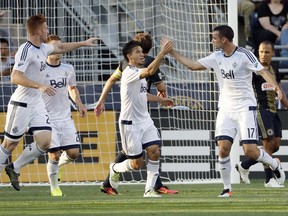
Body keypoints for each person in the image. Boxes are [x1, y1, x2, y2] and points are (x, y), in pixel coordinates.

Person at [165, 25, 285, 197]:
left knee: (250, 151)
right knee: (223, 149)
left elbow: (263, 71)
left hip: (245, 108)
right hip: (226, 109)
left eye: (214, 38)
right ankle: (227, 189)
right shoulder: (216, 57)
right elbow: (192, 65)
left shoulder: (244, 55)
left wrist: (276, 88)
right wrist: (172, 52)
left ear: (224, 40)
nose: (212, 41)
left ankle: (274, 164)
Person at [0, 14, 97, 191]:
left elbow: (60, 46)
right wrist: (40, 86)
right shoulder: (25, 49)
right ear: (38, 31)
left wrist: (83, 43)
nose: (47, 31)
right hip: (20, 103)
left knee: (45, 142)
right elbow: (15, 76)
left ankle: (14, 167)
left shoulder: (43, 48)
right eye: (45, 28)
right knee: (9, 144)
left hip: (37, 104)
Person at [95, 33, 178, 195]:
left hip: (145, 120)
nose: (142, 55)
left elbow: (143, 94)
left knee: (154, 150)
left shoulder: (139, 71)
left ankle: (149, 190)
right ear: (129, 56)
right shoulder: (129, 72)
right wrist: (163, 52)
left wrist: (161, 100)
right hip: (130, 123)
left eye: (142, 51)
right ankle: (114, 169)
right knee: (136, 164)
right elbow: (150, 70)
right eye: (138, 52)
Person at [235, 40, 288, 188]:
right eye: (261, 52)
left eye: (267, 52)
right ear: (257, 53)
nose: (263, 55)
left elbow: (278, 89)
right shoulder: (253, 70)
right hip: (260, 110)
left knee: (275, 145)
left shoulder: (274, 69)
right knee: (268, 144)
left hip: (273, 110)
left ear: (273, 53)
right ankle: (269, 180)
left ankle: (245, 165)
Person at [42, 34, 87, 196]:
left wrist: (79, 104)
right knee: (54, 154)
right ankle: (54, 188)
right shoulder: (40, 68)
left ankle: (59, 167)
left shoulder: (68, 69)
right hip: (47, 118)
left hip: (65, 117)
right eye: (55, 47)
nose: (59, 50)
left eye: (60, 47)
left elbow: (72, 88)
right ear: (47, 49)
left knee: (73, 153)